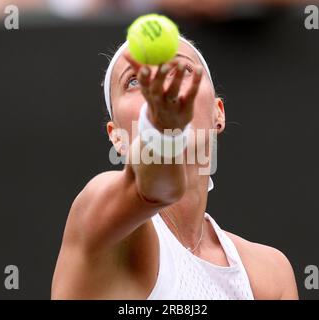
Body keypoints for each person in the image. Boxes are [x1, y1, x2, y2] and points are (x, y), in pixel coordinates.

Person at [51, 35, 298, 299]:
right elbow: (152, 187)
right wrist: (163, 133)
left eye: (180, 71)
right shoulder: (100, 220)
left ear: (218, 112)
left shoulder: (270, 272)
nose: (161, 89)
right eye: (134, 80)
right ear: (117, 137)